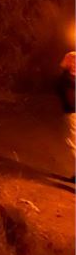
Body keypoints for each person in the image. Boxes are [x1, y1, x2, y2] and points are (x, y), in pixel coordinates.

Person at [57, 51, 76, 181]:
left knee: (72, 144)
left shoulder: (68, 79)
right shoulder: (68, 78)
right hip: (71, 111)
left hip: (72, 113)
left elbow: (70, 99)